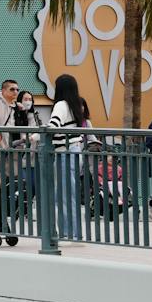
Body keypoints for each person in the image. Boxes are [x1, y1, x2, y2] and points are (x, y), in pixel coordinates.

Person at [47, 73, 90, 238]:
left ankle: (68, 232)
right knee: (70, 193)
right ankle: (73, 231)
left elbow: (54, 126)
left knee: (64, 194)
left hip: (63, 152)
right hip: (74, 150)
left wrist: (36, 135)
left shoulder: (61, 105)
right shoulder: (76, 105)